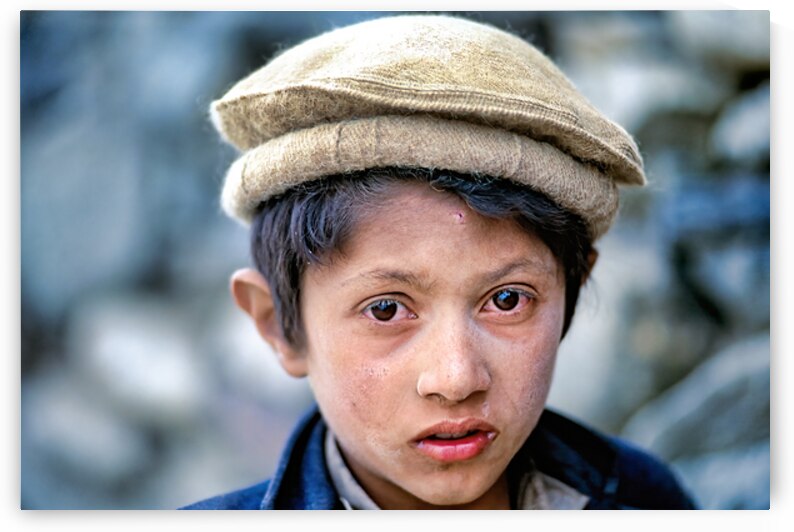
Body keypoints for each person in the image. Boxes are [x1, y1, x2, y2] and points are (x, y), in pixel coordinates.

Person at [183, 14, 696, 510]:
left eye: (507, 300)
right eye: (386, 310)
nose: (456, 379)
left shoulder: (643, 500)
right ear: (278, 325)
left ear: (573, 290)